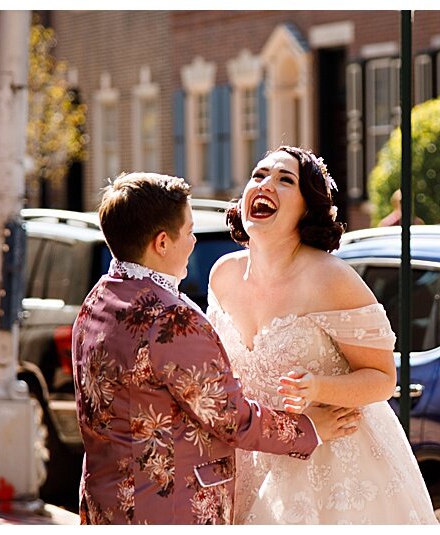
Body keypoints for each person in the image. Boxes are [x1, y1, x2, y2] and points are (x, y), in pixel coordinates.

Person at [71, 173, 361, 525]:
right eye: (190, 231)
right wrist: (309, 427)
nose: (193, 241)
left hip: (105, 503)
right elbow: (232, 420)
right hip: (168, 509)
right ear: (162, 243)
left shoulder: (97, 300)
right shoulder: (171, 319)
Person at [209, 146, 436, 524]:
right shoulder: (223, 275)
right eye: (259, 175)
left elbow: (383, 379)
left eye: (285, 180)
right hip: (251, 457)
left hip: (333, 465)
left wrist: (318, 389)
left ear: (306, 208)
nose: (265, 184)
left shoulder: (331, 278)